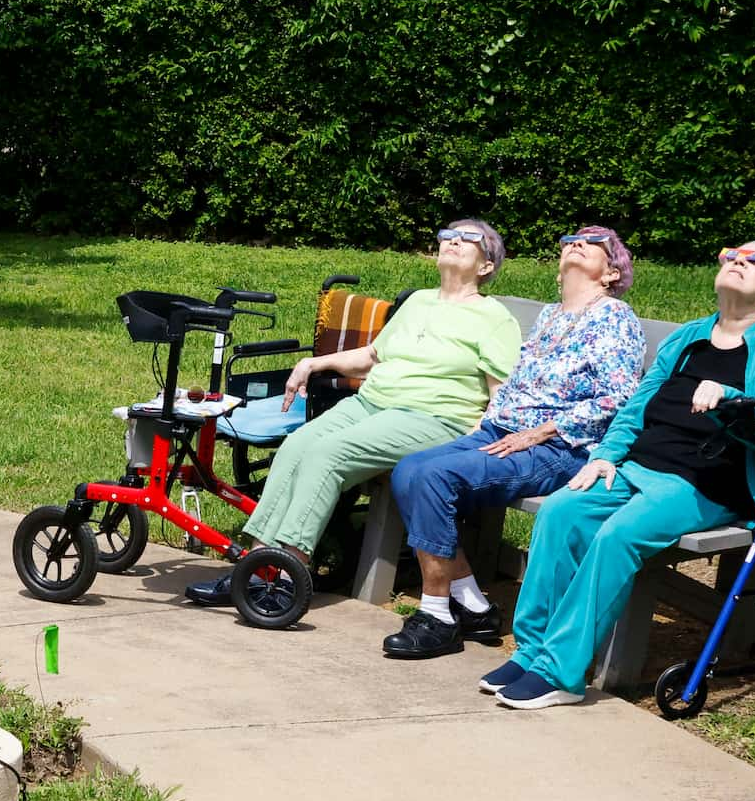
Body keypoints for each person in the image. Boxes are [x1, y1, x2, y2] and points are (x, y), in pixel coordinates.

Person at [488, 240, 755, 709]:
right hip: (639, 466)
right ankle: (532, 650)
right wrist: (606, 456)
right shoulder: (687, 337)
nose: (738, 261)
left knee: (617, 537)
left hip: (704, 482)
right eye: (731, 256)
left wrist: (731, 398)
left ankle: (561, 672)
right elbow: (638, 405)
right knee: (561, 511)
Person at [190, 219, 521, 607]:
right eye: (448, 235)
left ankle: (287, 577)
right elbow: (371, 358)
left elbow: (503, 394)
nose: (453, 241)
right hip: (372, 404)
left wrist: (478, 442)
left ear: (487, 266)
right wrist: (314, 364)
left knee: (327, 455)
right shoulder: (418, 302)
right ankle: (255, 568)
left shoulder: (494, 319)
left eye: (469, 239)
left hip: (432, 417)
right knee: (297, 445)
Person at [379, 226, 645, 660]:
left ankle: (437, 616)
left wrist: (542, 432)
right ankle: (473, 606)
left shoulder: (615, 317)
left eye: (594, 243)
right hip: (504, 432)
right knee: (409, 469)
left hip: (561, 449)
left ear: (612, 272)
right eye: (570, 240)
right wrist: (487, 422)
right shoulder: (550, 315)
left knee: (434, 477)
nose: (576, 243)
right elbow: (513, 384)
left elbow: (619, 399)